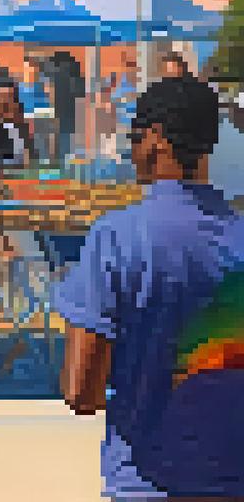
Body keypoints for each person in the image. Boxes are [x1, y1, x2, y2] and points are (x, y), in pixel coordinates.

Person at [55, 75, 244, 498]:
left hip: (145, 482)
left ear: (156, 139)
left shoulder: (117, 238)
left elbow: (81, 392)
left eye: (133, 137)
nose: (131, 150)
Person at [0, 82, 35, 172]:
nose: (4, 105)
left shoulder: (28, 129)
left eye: (8, 100)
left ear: (17, 103)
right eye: (0, 100)